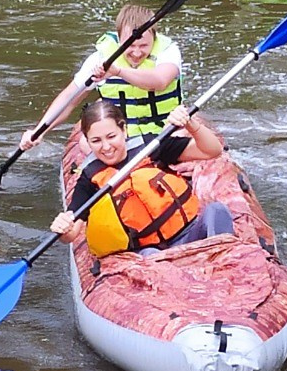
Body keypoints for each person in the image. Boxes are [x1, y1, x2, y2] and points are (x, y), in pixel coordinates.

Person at [50, 101, 235, 257]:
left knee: (216, 211)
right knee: (149, 256)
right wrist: (62, 228)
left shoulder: (149, 147)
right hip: (149, 252)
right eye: (96, 141)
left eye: (111, 136)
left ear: (124, 129)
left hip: (190, 233)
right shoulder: (90, 177)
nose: (106, 147)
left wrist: (190, 124)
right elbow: (72, 233)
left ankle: (222, 263)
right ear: (87, 141)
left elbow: (212, 150)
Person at [21, 3, 183, 149]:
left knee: (186, 136)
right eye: (131, 45)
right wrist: (39, 131)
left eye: (144, 45)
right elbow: (69, 99)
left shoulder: (168, 51)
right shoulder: (100, 58)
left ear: (154, 39)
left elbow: (160, 81)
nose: (137, 52)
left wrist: (117, 71)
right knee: (85, 144)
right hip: (119, 136)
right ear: (119, 39)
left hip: (165, 129)